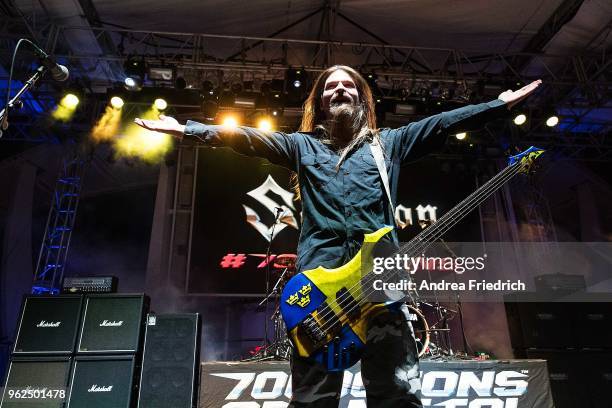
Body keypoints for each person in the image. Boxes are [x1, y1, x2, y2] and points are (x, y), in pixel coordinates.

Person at [135, 65, 541, 407]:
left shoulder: (390, 145)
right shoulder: (301, 146)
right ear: (320, 101)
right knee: (312, 398)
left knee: (396, 395)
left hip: (380, 291)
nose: (340, 88)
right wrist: (189, 129)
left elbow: (443, 123)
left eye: (348, 84)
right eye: (331, 85)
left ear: (362, 99)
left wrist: (498, 105)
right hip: (320, 292)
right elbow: (246, 137)